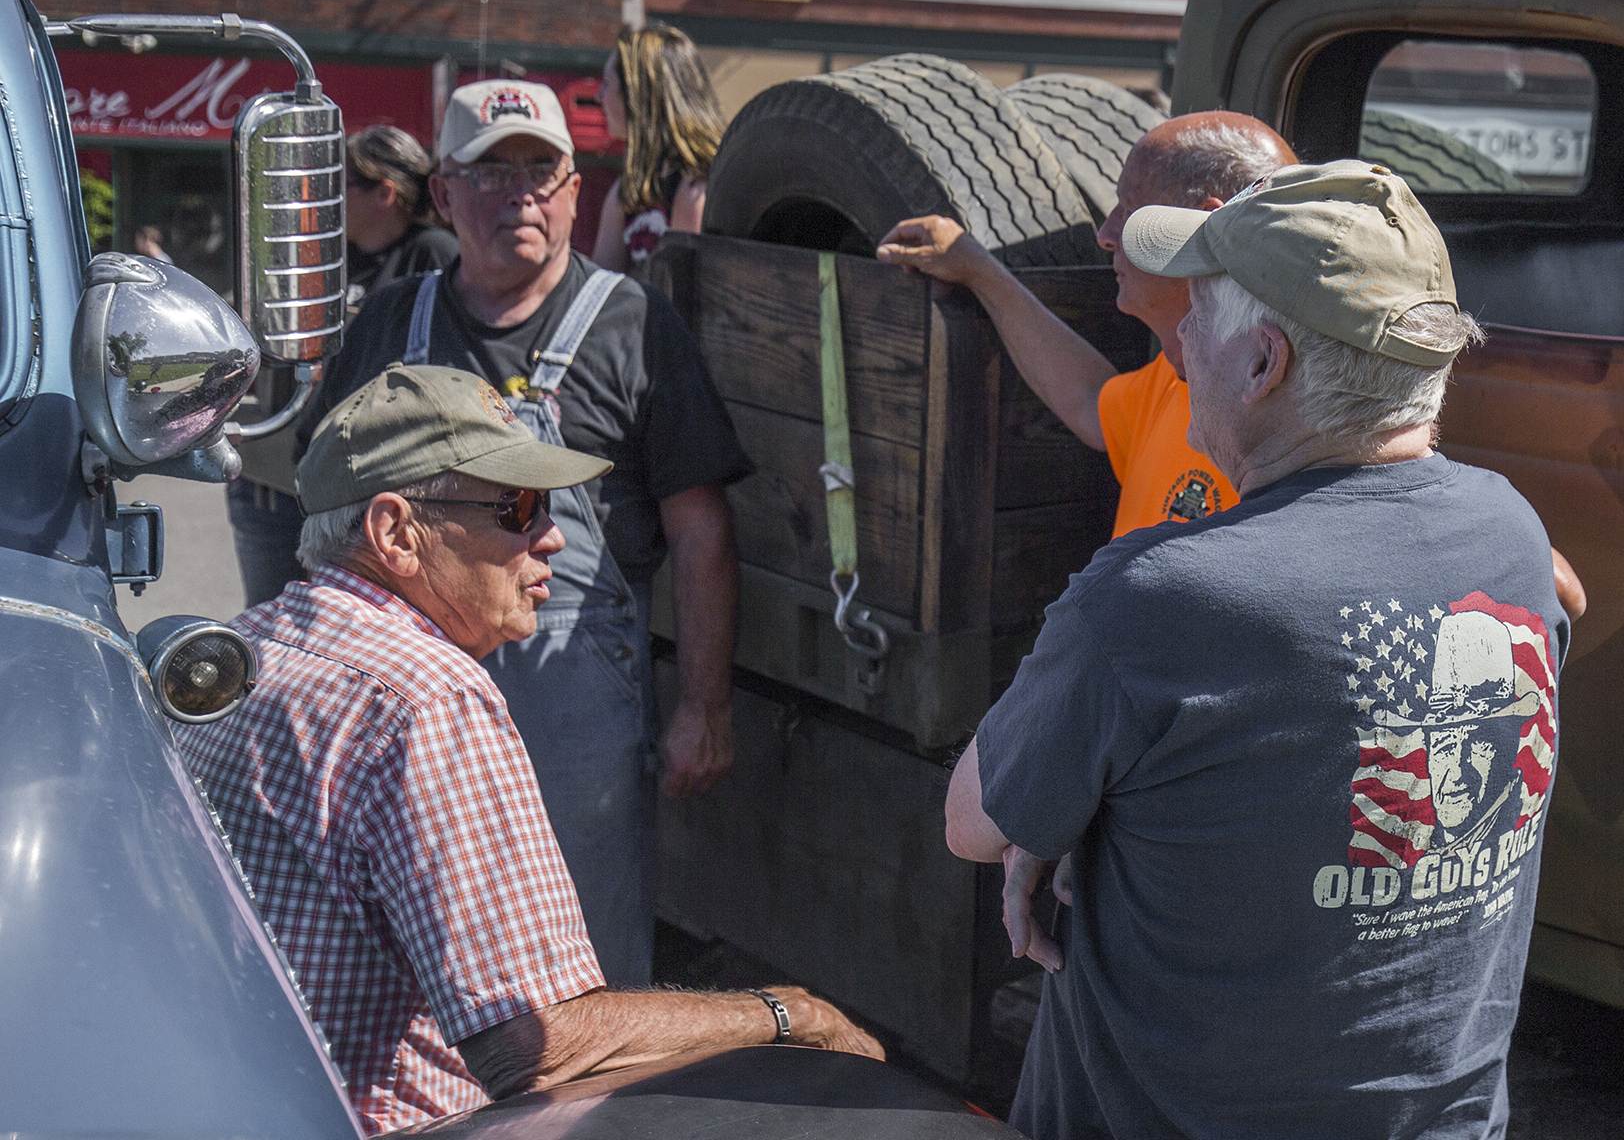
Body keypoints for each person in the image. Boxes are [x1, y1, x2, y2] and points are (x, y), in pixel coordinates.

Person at [945, 161, 1566, 1140]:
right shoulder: (1514, 537)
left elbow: (975, 823)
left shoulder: (1158, 596)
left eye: (1197, 313)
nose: (1180, 341)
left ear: (1263, 361)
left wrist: (1047, 798)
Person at [178, 364, 879, 1135]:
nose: (552, 536)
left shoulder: (241, 646)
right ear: (394, 532)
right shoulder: (428, 699)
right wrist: (787, 1015)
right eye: (516, 506)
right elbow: (536, 1048)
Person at [300, 79, 752, 986]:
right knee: (408, 942)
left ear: (576, 189)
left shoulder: (632, 326)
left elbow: (700, 534)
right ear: (445, 194)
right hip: (407, 696)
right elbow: (324, 514)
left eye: (541, 173)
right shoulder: (395, 319)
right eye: (491, 173)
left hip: (571, 705)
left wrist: (703, 706)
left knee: (580, 963)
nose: (522, 196)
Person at [877, 111, 1294, 538]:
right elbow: (1091, 400)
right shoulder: (1181, 378)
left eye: (1131, 210)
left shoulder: (1278, 424)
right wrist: (977, 269)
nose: (1106, 234)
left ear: (1204, 226)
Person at [226, 124, 455, 609]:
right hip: (278, 480)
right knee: (272, 630)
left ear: (384, 193)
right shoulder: (321, 253)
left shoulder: (433, 255)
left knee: (353, 631)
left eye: (339, 184)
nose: (325, 197)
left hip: (371, 490)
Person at [591, 22, 726, 273]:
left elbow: (683, 297)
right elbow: (600, 286)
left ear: (635, 95)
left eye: (607, 84)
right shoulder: (629, 187)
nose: (599, 96)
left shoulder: (694, 187)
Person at [344, 124, 459, 306]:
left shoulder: (433, 251)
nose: (330, 197)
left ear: (384, 194)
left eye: (340, 184)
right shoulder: (337, 255)